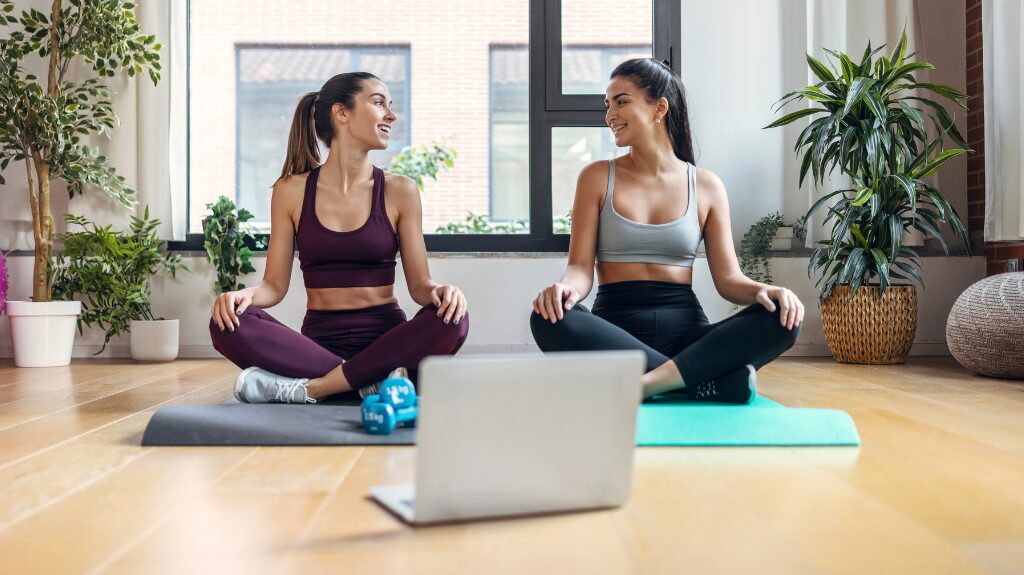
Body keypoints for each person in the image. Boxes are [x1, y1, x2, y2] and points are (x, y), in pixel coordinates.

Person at [530, 58, 803, 403]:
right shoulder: (596, 177)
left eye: (621, 101)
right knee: (546, 317)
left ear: (659, 108)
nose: (609, 114)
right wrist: (563, 290)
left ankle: (645, 384)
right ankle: (697, 379)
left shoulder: (706, 186)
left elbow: (729, 281)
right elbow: (580, 268)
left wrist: (769, 291)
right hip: (615, 334)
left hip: (688, 334)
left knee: (783, 317)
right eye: (607, 104)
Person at [210, 72, 469, 404]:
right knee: (226, 322)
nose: (391, 115)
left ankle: (316, 388)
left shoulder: (400, 190)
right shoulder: (290, 191)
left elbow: (421, 287)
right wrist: (240, 296)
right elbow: (273, 286)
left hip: (386, 339)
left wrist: (442, 292)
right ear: (341, 113)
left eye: (391, 106)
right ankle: (371, 383)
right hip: (318, 345)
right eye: (378, 103)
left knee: (453, 318)